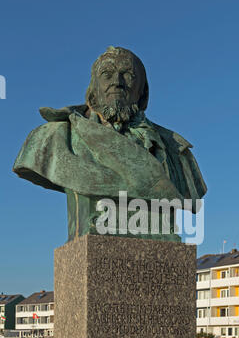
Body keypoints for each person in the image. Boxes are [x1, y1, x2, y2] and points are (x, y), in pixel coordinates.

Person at [13, 46, 207, 241]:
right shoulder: (54, 137)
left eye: (128, 75)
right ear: (93, 89)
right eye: (107, 74)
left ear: (143, 91)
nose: (117, 82)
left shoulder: (176, 150)